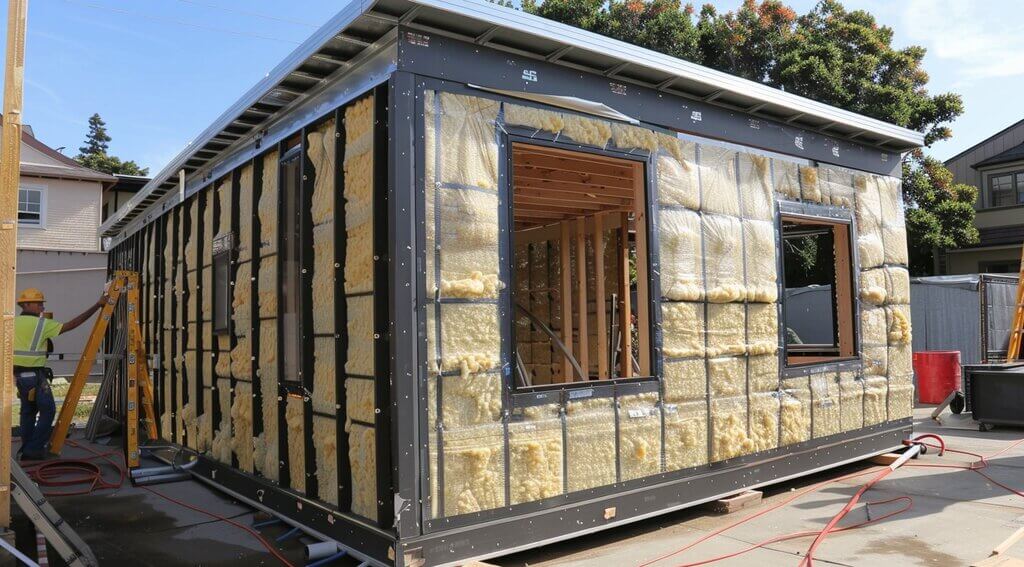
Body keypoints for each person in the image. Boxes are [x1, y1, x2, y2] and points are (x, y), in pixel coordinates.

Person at [13, 288, 107, 460]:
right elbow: (71, 325)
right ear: (25, 304)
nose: (42, 307)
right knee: (48, 410)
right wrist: (97, 306)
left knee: (28, 412)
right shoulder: (41, 325)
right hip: (34, 376)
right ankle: (33, 450)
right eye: (38, 303)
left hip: (20, 376)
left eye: (42, 303)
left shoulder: (12, 323)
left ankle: (27, 447)